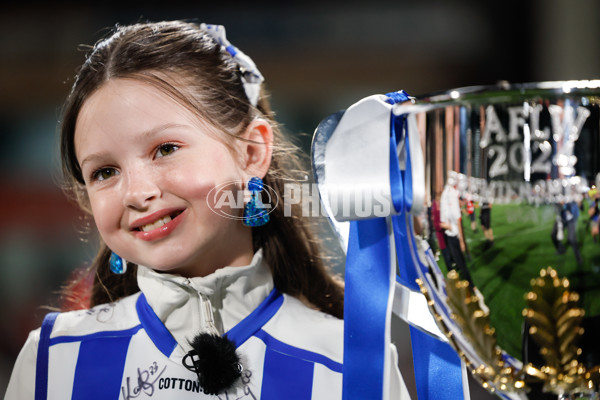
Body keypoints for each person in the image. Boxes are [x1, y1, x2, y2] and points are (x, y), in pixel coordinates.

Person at [5, 21, 410, 399]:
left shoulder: (352, 366)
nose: (136, 192)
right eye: (105, 171)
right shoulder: (51, 359)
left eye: (165, 149)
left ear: (252, 152)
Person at [440, 172, 474, 287]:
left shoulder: (447, 193)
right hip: (453, 235)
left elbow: (453, 216)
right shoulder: (451, 194)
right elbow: (457, 218)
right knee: (461, 263)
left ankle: (468, 286)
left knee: (459, 262)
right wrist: (462, 241)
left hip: (451, 235)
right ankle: (470, 286)